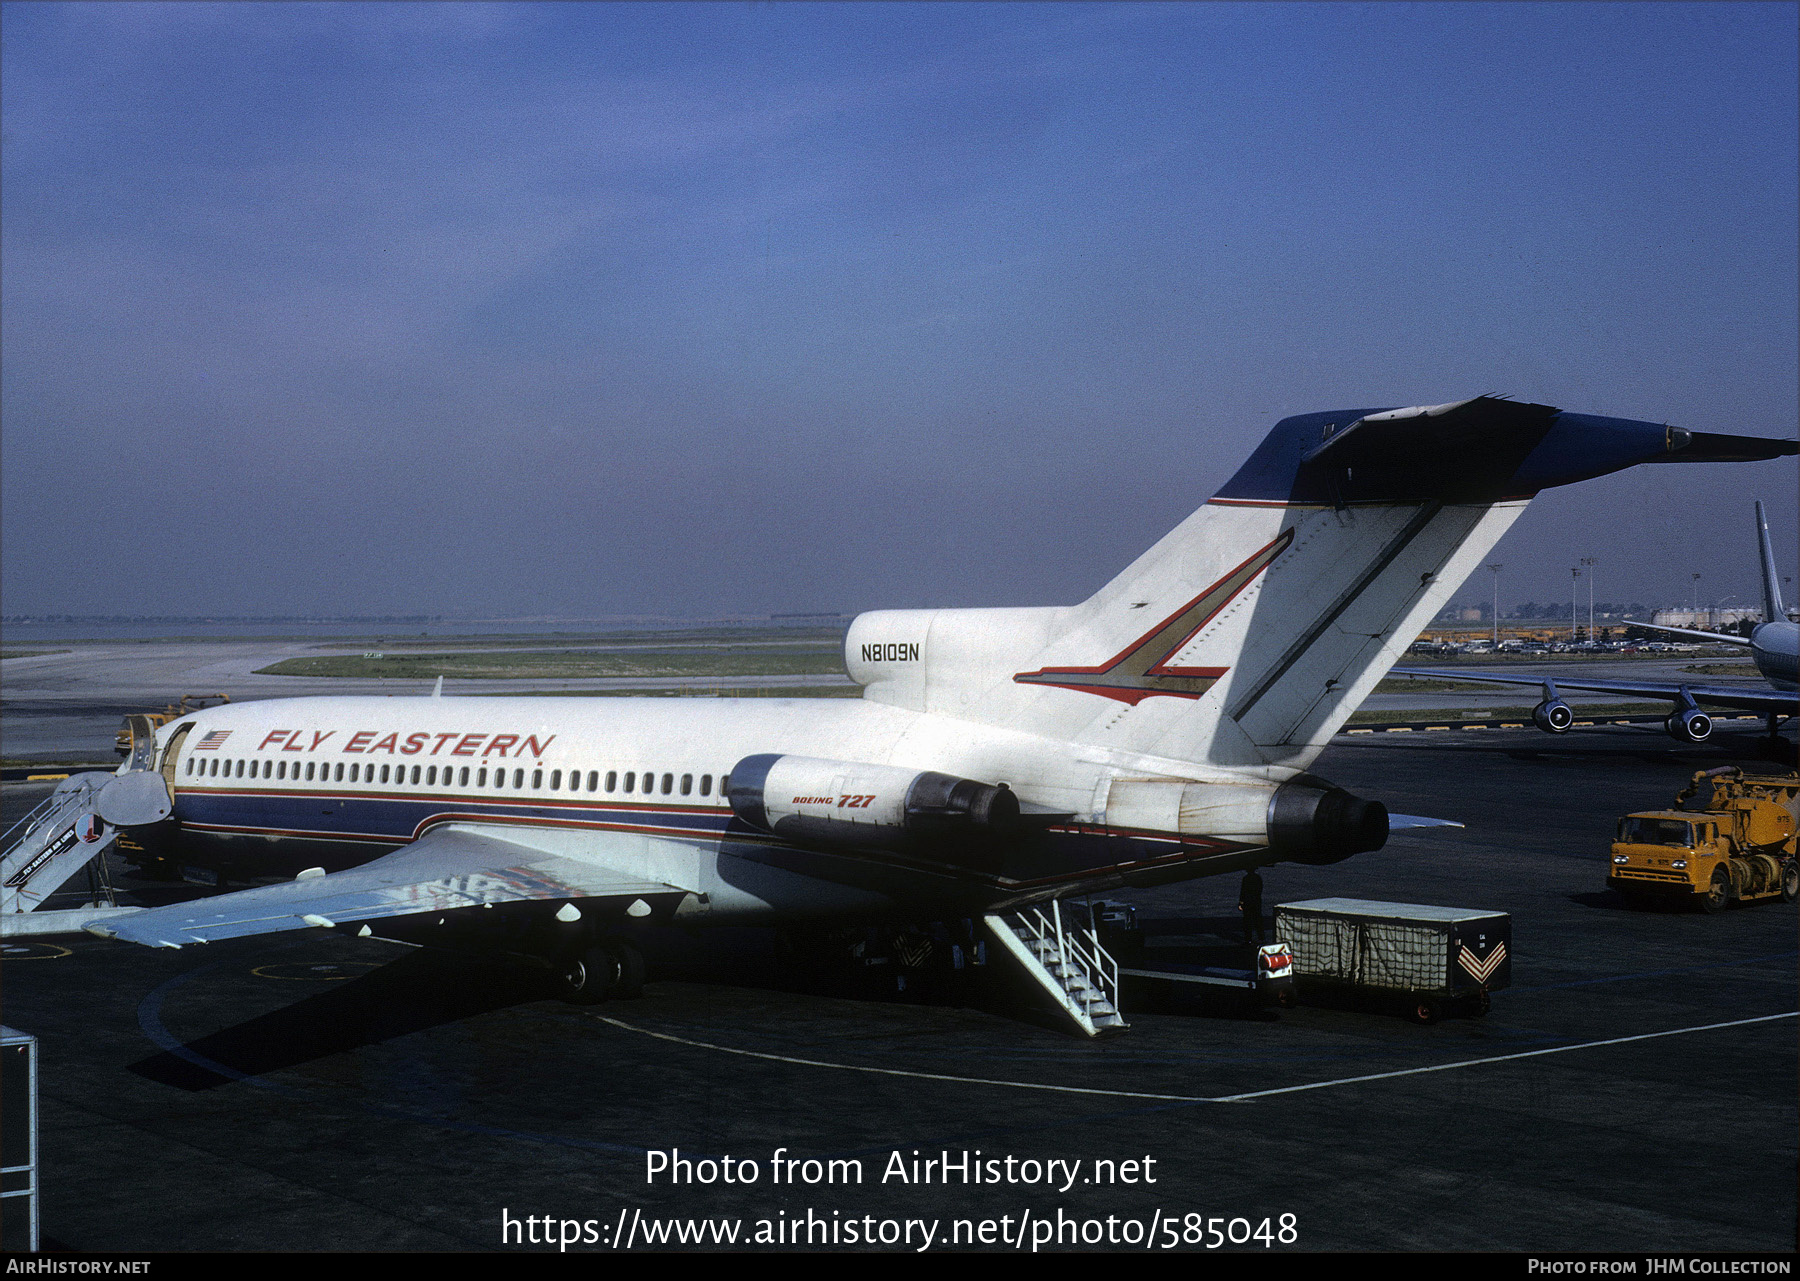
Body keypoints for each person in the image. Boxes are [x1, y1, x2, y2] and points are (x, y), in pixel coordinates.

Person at [1238, 869, 1265, 945]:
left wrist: (1241, 902)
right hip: (1256, 901)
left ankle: (1248, 939)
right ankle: (1261, 937)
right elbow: (1260, 889)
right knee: (1258, 920)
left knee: (1247, 921)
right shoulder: (1258, 878)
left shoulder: (1246, 878)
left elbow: (1243, 891)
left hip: (1247, 902)